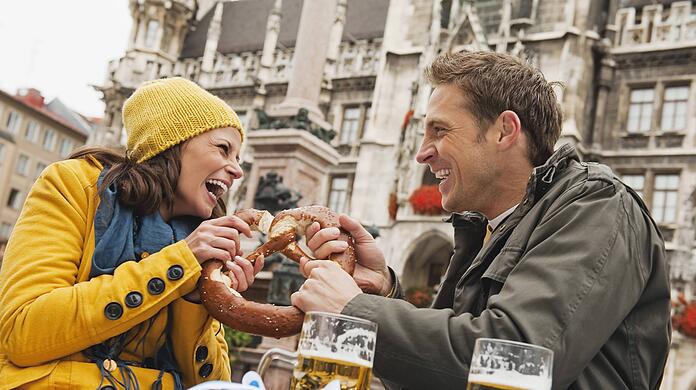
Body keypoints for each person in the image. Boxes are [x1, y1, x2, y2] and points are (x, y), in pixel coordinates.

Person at [290, 51, 671, 389]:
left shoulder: (596, 202)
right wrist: (382, 292)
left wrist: (355, 312)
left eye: (439, 130)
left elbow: (515, 359)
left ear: (505, 130)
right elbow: (436, 375)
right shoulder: (488, 230)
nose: (422, 154)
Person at [0, 77, 264, 389]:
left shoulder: (203, 244)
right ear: (172, 142)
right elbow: (24, 332)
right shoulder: (73, 186)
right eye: (223, 149)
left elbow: (209, 383)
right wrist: (179, 262)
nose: (237, 170)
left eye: (237, 157)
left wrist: (195, 300)